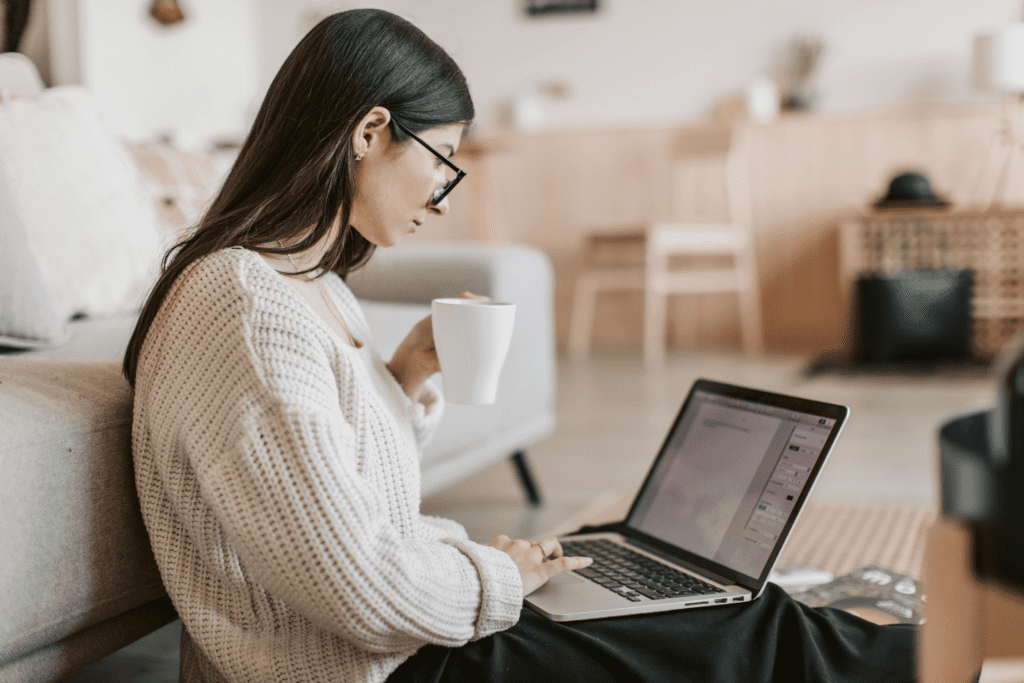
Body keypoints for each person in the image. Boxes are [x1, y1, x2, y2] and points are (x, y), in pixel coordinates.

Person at [124, 9, 915, 683]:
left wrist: (399, 382)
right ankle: (961, 655)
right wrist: (498, 575)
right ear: (370, 131)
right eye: (441, 162)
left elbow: (347, 509)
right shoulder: (244, 303)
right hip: (372, 666)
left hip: (396, 645)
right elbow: (357, 585)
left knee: (734, 613)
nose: (440, 198)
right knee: (753, 630)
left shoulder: (309, 286)